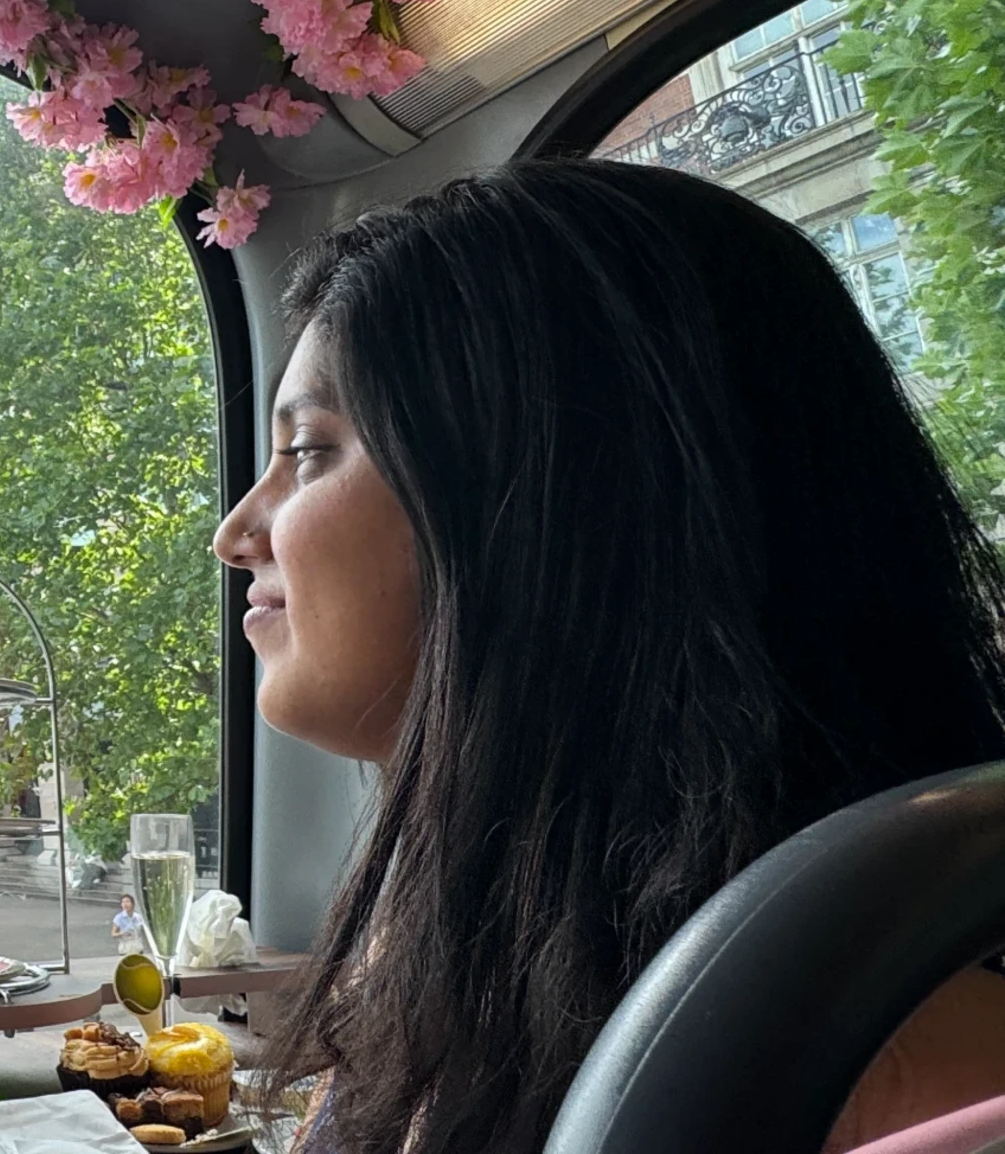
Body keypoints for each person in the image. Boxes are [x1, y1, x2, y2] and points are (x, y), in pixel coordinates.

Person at [214, 161, 1005, 1154]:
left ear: (550, 509)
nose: (235, 533)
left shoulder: (882, 1070)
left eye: (310, 450)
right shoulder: (486, 954)